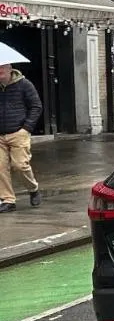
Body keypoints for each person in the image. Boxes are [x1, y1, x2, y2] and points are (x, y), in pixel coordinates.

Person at [0, 60, 42, 212]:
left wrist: (26, 128)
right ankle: (8, 200)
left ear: (10, 68)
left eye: (2, 67)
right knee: (0, 168)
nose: (0, 70)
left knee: (20, 166)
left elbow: (36, 106)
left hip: (18, 133)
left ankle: (33, 189)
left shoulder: (24, 84)